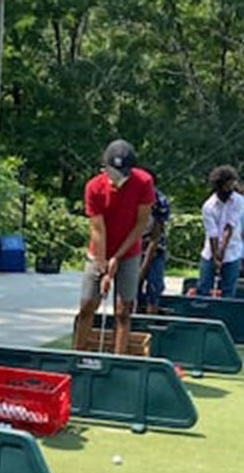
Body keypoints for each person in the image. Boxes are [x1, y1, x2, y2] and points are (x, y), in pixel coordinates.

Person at [73, 139, 154, 354]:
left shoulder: (144, 182)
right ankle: (77, 355)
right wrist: (103, 268)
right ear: (104, 168)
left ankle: (119, 361)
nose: (119, 180)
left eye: (124, 174)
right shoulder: (94, 187)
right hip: (98, 251)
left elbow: (141, 224)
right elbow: (97, 230)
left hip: (129, 252)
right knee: (87, 306)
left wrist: (117, 258)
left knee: (122, 310)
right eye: (114, 173)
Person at [197, 166, 243, 298]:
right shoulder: (208, 206)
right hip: (209, 252)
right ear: (219, 185)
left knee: (228, 291)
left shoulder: (238, 201)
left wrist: (221, 252)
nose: (231, 188)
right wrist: (215, 256)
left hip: (232, 251)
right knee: (204, 288)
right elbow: (212, 233)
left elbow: (229, 227)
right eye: (228, 185)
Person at [136, 172, 171, 315]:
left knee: (154, 287)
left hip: (155, 247)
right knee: (131, 288)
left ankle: (151, 319)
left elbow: (155, 238)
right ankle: (132, 320)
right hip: (133, 244)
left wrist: (143, 268)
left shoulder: (160, 201)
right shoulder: (130, 198)